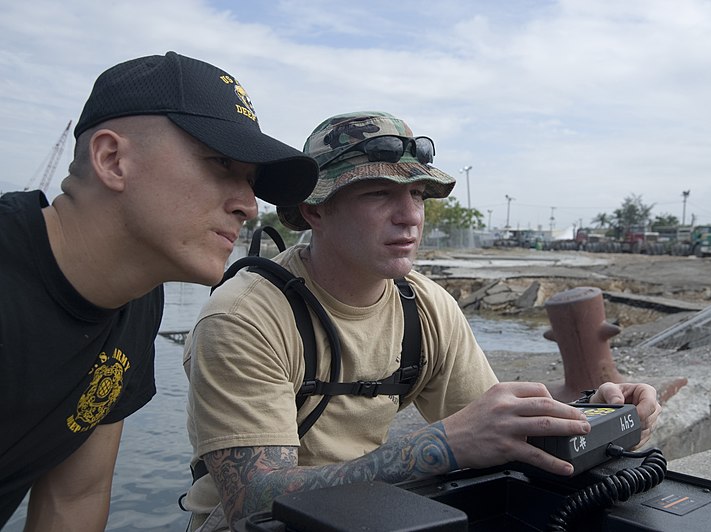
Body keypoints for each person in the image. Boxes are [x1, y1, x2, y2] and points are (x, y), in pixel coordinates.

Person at [182, 111, 661, 530]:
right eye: (378, 193)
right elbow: (254, 501)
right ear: (314, 210)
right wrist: (435, 446)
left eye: (418, 194)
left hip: (372, 512)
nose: (410, 216)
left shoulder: (426, 306)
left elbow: (492, 425)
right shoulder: (244, 318)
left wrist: (595, 413)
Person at [0, 51, 318, 530]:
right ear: (112, 159)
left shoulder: (136, 297)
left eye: (251, 181)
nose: (250, 207)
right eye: (221, 164)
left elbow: (74, 498)